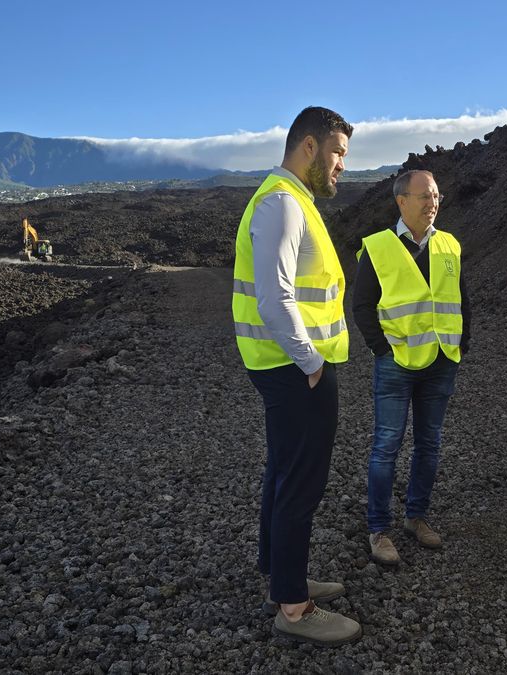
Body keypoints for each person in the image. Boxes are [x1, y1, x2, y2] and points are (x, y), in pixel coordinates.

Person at [231, 106, 361, 647]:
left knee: (283, 472)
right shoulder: (283, 204)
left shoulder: (290, 201)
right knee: (301, 485)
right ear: (308, 147)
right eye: (337, 154)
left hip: (284, 367)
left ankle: (281, 575)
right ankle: (294, 607)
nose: (340, 167)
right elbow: (274, 297)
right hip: (294, 369)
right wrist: (311, 362)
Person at [353, 169, 470, 565]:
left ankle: (416, 518)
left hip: (441, 360)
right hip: (396, 363)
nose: (432, 203)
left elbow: (460, 300)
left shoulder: (450, 245)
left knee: (429, 444)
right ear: (401, 201)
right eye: (423, 196)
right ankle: (378, 528)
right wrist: (381, 349)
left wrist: (461, 343)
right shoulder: (378, 247)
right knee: (386, 445)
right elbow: (362, 306)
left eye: (436, 196)